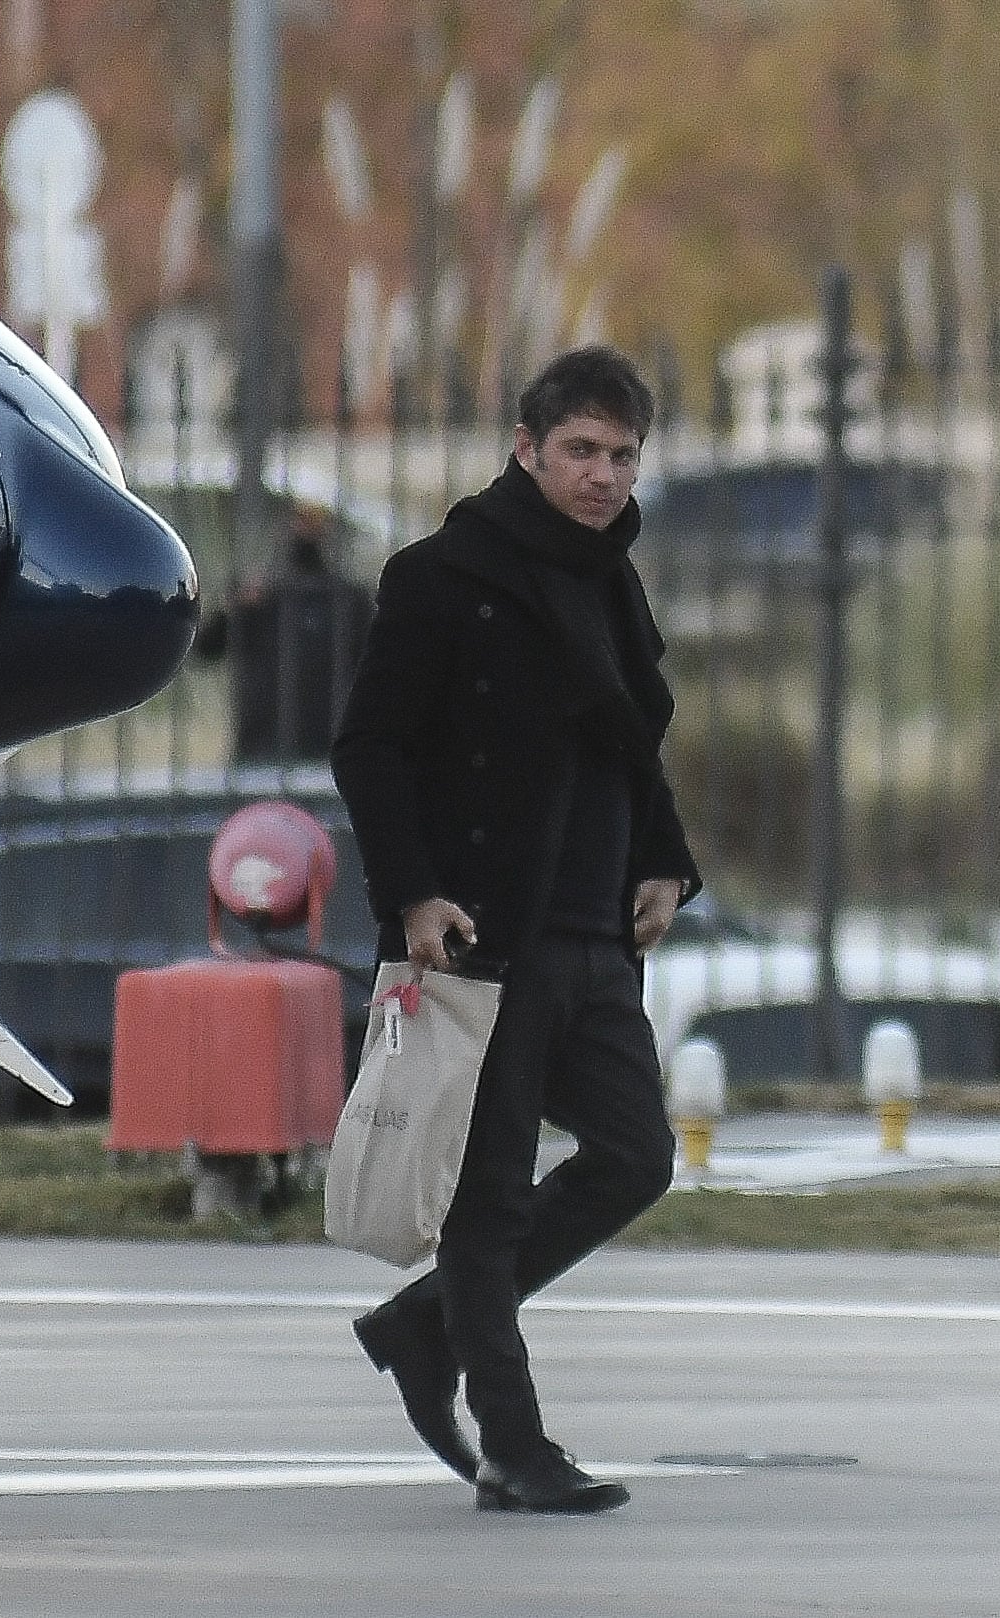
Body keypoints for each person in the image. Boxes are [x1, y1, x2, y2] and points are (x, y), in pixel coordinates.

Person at [330, 345, 699, 1514]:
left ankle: (426, 1322)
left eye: (621, 454)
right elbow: (368, 747)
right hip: (485, 935)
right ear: (526, 449)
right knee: (488, 1197)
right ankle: (512, 1445)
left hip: (596, 930)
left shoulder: (609, 581)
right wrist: (414, 893)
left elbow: (631, 745)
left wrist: (664, 864)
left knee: (637, 1154)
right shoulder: (441, 576)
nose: (601, 475)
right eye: (580, 451)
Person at [190, 505, 374, 763]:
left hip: (329, 746)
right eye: (298, 518)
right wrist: (233, 609)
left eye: (313, 519)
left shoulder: (351, 602)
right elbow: (204, 649)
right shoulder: (260, 598)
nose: (305, 527)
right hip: (263, 746)